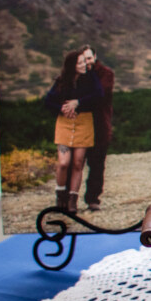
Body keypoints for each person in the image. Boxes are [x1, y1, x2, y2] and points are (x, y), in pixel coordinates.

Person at [42, 46, 105, 215]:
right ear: (72, 65)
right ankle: (60, 196)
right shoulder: (62, 81)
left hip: (84, 122)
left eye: (85, 61)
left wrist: (78, 102)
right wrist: (63, 108)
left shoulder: (90, 77)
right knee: (63, 162)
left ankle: (72, 200)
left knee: (78, 163)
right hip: (65, 123)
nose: (85, 64)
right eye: (81, 62)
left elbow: (99, 95)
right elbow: (48, 101)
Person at [79, 51, 115, 213]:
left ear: (95, 56)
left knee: (96, 164)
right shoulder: (76, 74)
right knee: (75, 164)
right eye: (83, 59)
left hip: (99, 126)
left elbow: (100, 94)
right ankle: (68, 200)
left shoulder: (105, 74)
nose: (87, 62)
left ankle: (93, 199)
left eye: (89, 58)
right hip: (79, 126)